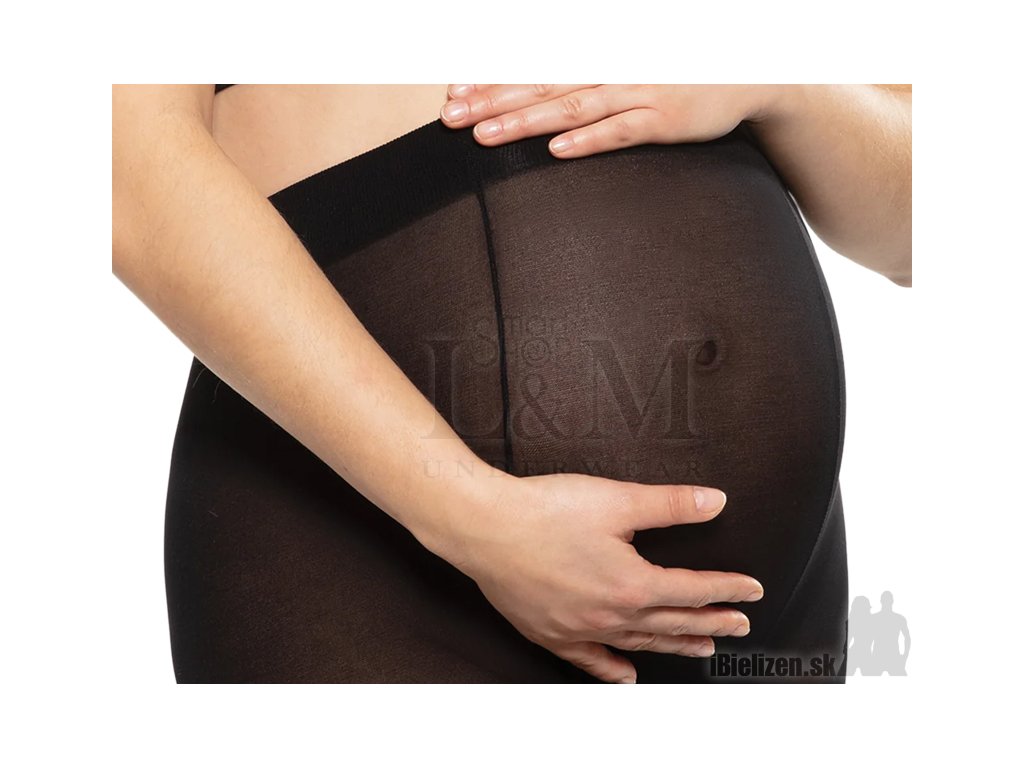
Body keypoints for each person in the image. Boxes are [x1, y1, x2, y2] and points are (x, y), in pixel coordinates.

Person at [111, 84, 911, 683]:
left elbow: (914, 234)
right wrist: (469, 517)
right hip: (375, 564)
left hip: (768, 610)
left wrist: (778, 78)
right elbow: (123, 167)